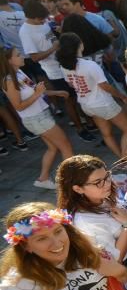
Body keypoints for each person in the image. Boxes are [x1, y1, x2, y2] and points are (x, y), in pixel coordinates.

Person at [0, 46, 73, 189]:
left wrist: (56, 92)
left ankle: (43, 179)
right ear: (9, 61)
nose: (22, 56)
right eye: (18, 55)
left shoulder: (19, 73)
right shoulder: (8, 80)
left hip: (39, 117)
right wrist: (37, 94)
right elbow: (19, 106)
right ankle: (70, 182)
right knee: (66, 147)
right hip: (37, 119)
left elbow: (37, 91)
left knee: (52, 148)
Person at [55, 32, 127, 157]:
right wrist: (123, 97)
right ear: (79, 45)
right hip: (103, 103)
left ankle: (121, 158)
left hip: (87, 105)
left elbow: (71, 84)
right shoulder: (90, 65)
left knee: (107, 134)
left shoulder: (64, 66)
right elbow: (104, 85)